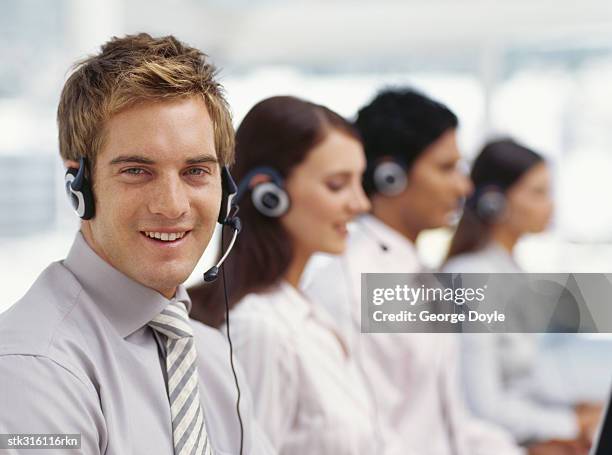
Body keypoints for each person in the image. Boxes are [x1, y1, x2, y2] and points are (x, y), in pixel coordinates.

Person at [0, 33, 273, 455]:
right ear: (79, 185)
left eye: (195, 171)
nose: (172, 205)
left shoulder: (214, 357)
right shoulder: (32, 369)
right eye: (136, 171)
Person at [303, 88, 523, 454]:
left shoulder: (417, 273)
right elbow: (366, 439)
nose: (464, 186)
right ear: (391, 176)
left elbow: (446, 424)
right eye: (446, 168)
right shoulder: (352, 287)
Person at [189, 96, 393, 455]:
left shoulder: (305, 311)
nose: (360, 204)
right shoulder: (261, 330)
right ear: (270, 194)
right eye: (336, 185)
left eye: (359, 183)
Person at [443, 138, 605, 450]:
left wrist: (573, 410)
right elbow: (480, 404)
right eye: (538, 192)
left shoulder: (507, 268)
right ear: (495, 201)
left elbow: (520, 381)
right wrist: (571, 424)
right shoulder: (474, 275)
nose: (551, 205)